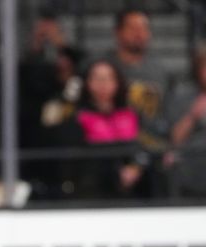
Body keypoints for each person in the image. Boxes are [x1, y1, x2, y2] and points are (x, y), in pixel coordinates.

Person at [53, 59, 148, 199]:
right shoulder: (78, 118)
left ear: (118, 82)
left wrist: (135, 168)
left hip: (134, 194)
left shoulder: (131, 115)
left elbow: (145, 149)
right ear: (87, 83)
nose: (103, 84)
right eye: (97, 78)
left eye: (109, 78)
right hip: (93, 194)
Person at [103, 8, 171, 149]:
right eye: (133, 28)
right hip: (111, 146)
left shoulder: (160, 71)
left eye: (144, 28)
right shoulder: (103, 67)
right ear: (118, 32)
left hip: (152, 147)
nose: (139, 33)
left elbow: (167, 113)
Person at [164, 46, 206, 198]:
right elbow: (175, 138)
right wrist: (193, 114)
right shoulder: (182, 96)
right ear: (198, 69)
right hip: (191, 172)